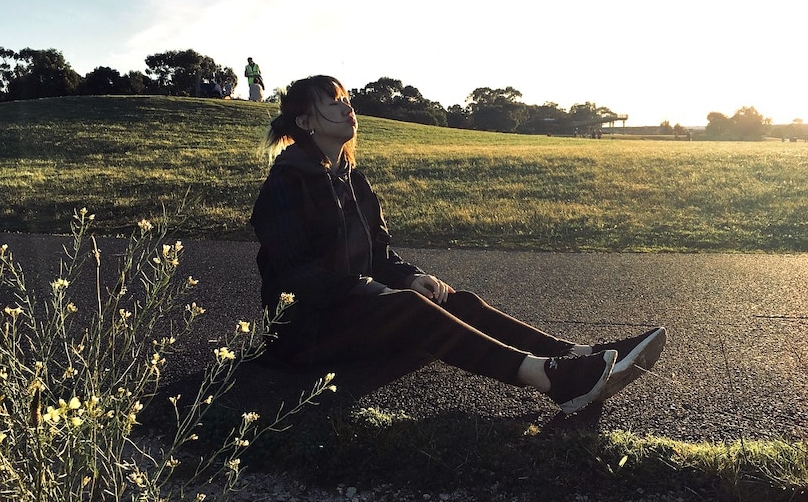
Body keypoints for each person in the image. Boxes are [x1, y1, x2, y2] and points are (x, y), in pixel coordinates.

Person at [250, 75, 666, 415]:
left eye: (346, 98)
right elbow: (292, 274)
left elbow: (379, 255)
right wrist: (367, 289)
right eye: (332, 102)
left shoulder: (354, 180)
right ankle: (551, 379)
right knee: (409, 307)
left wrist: (412, 277)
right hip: (304, 335)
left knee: (456, 299)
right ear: (306, 122)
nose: (347, 107)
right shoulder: (287, 182)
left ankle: (580, 354)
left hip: (356, 316)